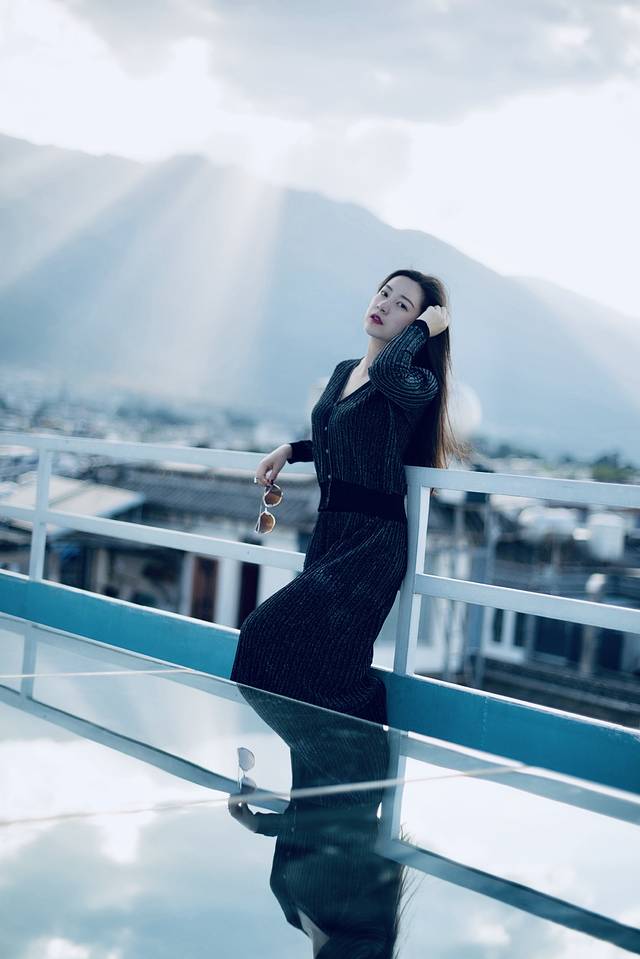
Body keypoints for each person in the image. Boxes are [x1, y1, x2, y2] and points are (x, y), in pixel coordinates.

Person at [230, 268, 463, 724]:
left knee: (264, 635)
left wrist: (423, 330)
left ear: (421, 327)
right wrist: (291, 450)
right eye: (384, 293)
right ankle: (320, 768)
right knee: (320, 665)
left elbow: (386, 370)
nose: (384, 305)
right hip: (331, 531)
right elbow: (340, 437)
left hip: (373, 541)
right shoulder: (343, 372)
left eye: (403, 306)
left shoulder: (416, 382)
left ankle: (366, 745)